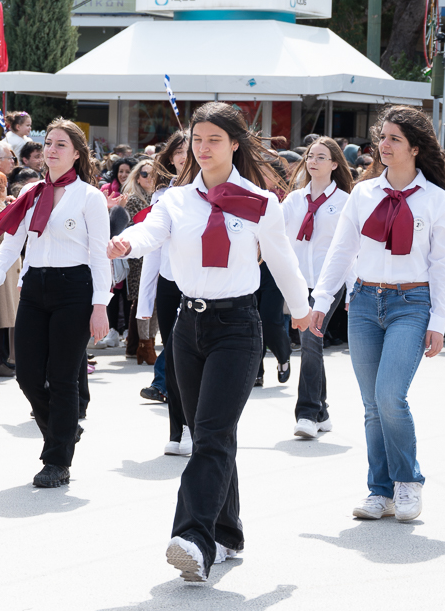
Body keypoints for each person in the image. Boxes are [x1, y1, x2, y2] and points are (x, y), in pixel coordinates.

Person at [110, 103, 311, 584]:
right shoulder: (176, 200)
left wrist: (302, 311)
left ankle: (193, 539)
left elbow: (282, 260)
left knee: (214, 434)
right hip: (187, 326)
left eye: (214, 139)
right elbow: (151, 232)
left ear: (235, 144)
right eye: (197, 139)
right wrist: (126, 242)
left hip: (237, 327)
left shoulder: (260, 202)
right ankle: (227, 534)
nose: (202, 148)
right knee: (209, 436)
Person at [311, 105, 445, 521]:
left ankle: (408, 480)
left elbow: (444, 264)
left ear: (415, 147)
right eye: (383, 137)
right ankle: (380, 490)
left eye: (394, 139)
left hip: (412, 303)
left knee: (390, 397)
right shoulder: (363, 193)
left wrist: (439, 321)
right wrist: (322, 299)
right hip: (363, 302)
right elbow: (342, 249)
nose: (384, 145)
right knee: (372, 405)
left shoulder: (436, 199)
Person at [0, 120, 110, 488]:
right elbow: (11, 243)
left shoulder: (90, 197)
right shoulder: (31, 192)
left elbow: (100, 256)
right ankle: (63, 431)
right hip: (34, 286)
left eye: (61, 144)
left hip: (75, 288)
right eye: (48, 142)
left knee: (63, 377)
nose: (51, 149)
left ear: (77, 153)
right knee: (27, 374)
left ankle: (57, 461)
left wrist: (100, 306)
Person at [283, 136, 353, 441]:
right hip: (299, 283)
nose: (313, 161)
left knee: (310, 340)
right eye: (310, 156)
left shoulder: (345, 202)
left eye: (321, 157)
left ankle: (307, 413)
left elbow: (352, 249)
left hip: (329, 284)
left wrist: (352, 289)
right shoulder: (294, 200)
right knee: (311, 342)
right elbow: (274, 234)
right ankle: (321, 411)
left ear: (335, 164)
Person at [135, 130, 191, 451]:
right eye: (178, 151)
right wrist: (145, 303)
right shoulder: (162, 196)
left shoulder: (216, 190)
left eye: (190, 149)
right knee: (173, 360)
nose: (184, 156)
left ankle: (196, 426)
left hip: (205, 287)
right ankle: (176, 431)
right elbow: (152, 249)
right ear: (170, 158)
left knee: (194, 361)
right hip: (171, 285)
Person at [122, 158, 161, 364]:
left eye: (153, 174)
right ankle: (143, 345)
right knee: (143, 300)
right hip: (139, 256)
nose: (149, 178)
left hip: (155, 254)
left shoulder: (158, 197)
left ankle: (146, 343)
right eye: (144, 174)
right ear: (137, 177)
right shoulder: (134, 199)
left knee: (153, 301)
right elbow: (132, 228)